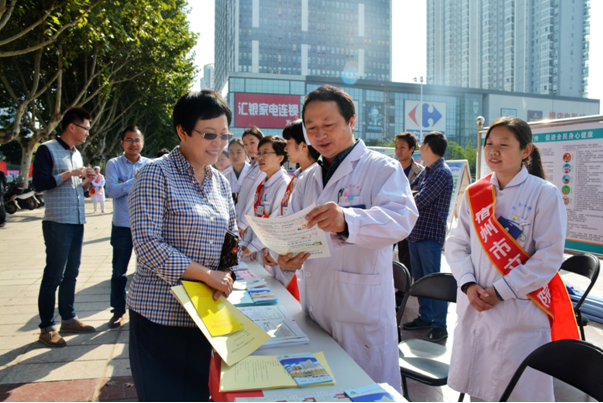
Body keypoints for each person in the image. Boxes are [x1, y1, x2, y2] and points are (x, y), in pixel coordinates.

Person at [275, 85, 419, 392]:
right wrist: (287, 255)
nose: (320, 135)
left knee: (361, 389)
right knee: (323, 390)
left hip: (359, 308)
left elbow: (402, 219)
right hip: (316, 303)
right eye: (311, 128)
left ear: (351, 121)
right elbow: (297, 231)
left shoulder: (381, 168)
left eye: (329, 125)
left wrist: (347, 220)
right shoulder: (306, 179)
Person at [445, 116, 577, 401]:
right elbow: (456, 244)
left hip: (519, 309)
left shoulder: (544, 194)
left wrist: (501, 291)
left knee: (518, 391)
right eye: (489, 144)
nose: (493, 151)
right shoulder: (475, 193)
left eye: (504, 145)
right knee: (479, 388)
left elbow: (548, 257)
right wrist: (468, 285)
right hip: (476, 302)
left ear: (525, 151)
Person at [127, 90, 236, 401]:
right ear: (182, 131)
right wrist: (204, 274)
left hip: (204, 315)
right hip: (160, 316)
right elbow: (148, 244)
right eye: (209, 134)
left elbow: (231, 239)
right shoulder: (155, 173)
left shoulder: (221, 183)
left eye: (224, 135)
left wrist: (226, 276)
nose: (219, 143)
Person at [32, 107, 97, 348]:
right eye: (86, 128)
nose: (88, 133)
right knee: (54, 275)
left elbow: (74, 190)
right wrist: (70, 173)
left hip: (77, 221)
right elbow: (39, 183)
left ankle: (68, 319)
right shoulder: (46, 149)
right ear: (72, 127)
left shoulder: (77, 153)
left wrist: (87, 182)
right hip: (57, 222)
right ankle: (47, 327)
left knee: (72, 273)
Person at [402, 131, 453, 342]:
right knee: (421, 280)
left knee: (434, 282)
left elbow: (419, 199)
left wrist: (410, 196)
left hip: (430, 236)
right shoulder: (428, 171)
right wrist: (411, 195)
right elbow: (410, 190)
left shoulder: (441, 172)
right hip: (417, 233)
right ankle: (425, 317)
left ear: (429, 147)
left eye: (422, 144)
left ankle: (440, 325)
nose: (420, 147)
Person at [105, 125, 151, 328]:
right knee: (119, 272)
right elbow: (112, 191)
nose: (133, 144)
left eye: (137, 140)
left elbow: (152, 192)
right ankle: (117, 311)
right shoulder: (113, 164)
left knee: (149, 271)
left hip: (146, 226)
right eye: (129, 140)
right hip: (122, 226)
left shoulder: (151, 164)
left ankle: (145, 312)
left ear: (142, 143)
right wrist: (135, 181)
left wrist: (125, 183)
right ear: (122, 142)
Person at [240, 136, 291, 283]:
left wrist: (251, 247)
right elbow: (255, 220)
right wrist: (246, 245)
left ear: (280, 157)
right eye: (259, 153)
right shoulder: (262, 185)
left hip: (272, 253)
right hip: (258, 250)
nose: (260, 158)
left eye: (266, 153)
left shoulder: (284, 185)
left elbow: (275, 223)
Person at [393, 132, 423, 270]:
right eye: (397, 147)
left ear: (412, 149)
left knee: (406, 257)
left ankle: (403, 290)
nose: (398, 151)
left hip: (408, 222)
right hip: (390, 218)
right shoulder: (389, 168)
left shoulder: (420, 172)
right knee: (383, 253)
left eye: (402, 147)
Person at [235, 127, 266, 239]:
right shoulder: (252, 166)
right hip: (242, 222)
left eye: (252, 142)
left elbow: (254, 196)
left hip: (250, 225)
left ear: (261, 141)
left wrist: (242, 224)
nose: (249, 147)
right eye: (245, 144)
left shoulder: (263, 167)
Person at [223, 138, 250, 204]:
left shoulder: (254, 173)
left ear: (246, 153)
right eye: (231, 152)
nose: (235, 156)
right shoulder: (225, 177)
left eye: (239, 152)